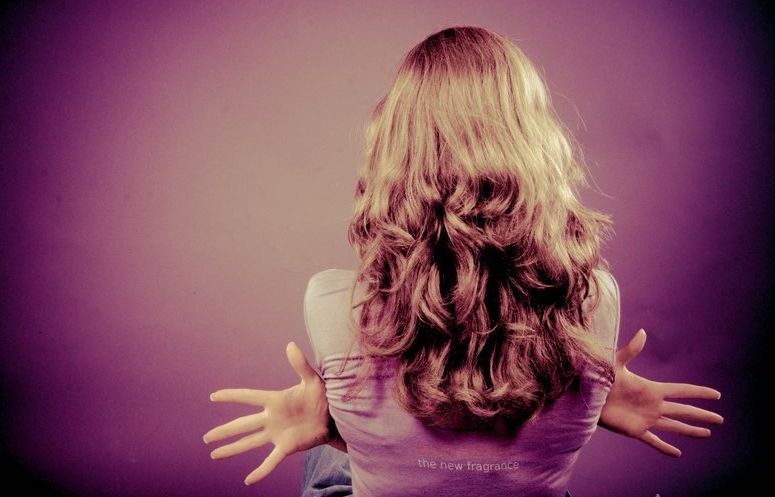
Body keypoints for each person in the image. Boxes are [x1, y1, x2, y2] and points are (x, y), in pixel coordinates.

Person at [204, 26, 723, 496]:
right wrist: (588, 391)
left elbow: (410, 456)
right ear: (536, 146)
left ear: (393, 149)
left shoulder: (334, 303)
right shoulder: (596, 301)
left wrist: (333, 428)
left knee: (328, 454)